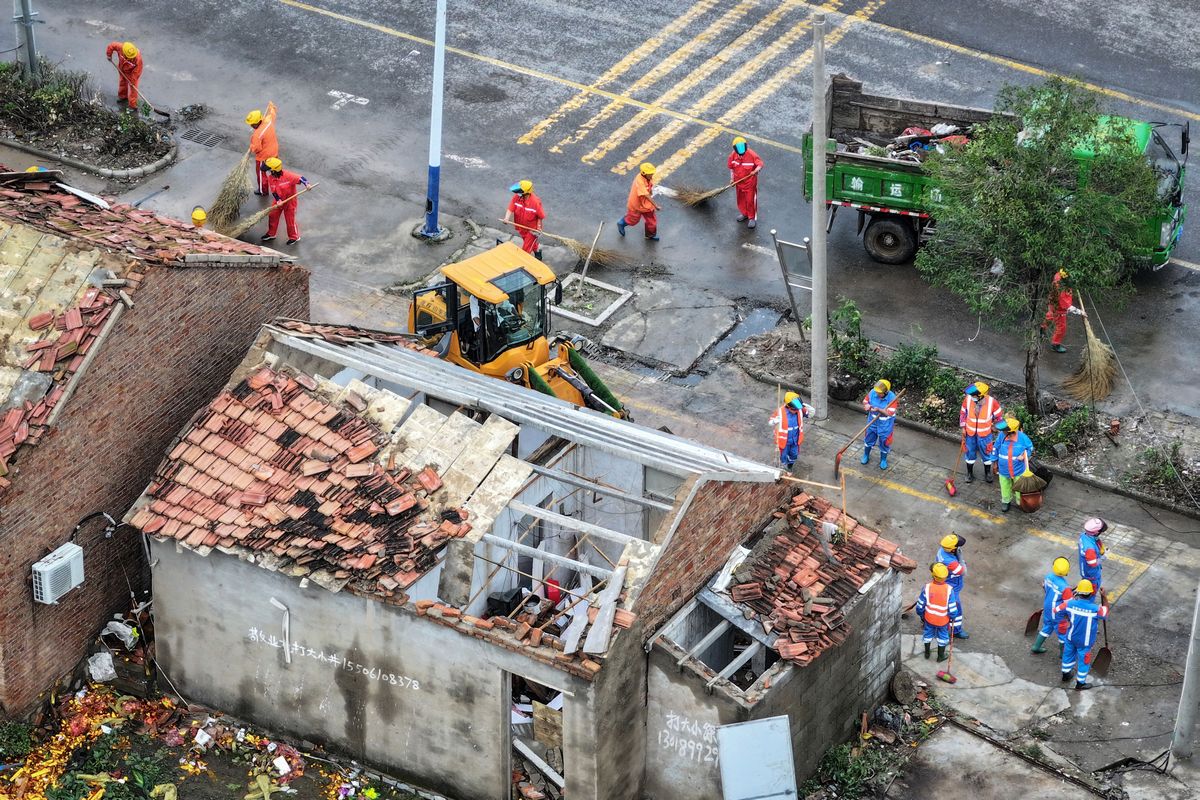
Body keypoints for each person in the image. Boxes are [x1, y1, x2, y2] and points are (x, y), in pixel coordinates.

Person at [1055, 579, 1108, 690]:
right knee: (1084, 660)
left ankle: (1065, 675)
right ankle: (1080, 683)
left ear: (1078, 592)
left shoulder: (1069, 604)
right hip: (1085, 641)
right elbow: (1105, 613)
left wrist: (1066, 618)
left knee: (1068, 655)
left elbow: (1057, 610)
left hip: (1070, 637)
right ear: (1091, 593)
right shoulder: (1095, 609)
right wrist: (1104, 597)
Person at [915, 562, 963, 662]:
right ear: (945, 576)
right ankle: (940, 656)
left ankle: (927, 653)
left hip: (929, 619)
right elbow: (952, 608)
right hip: (943, 621)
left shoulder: (927, 587)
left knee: (927, 634)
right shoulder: (949, 590)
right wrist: (953, 616)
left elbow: (920, 604)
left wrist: (921, 614)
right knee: (943, 637)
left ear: (933, 575)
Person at [959, 381, 1003, 484]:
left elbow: (999, 417)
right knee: (969, 453)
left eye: (974, 395)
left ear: (980, 396)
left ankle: (987, 473)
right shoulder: (968, 400)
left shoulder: (992, 402)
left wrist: (995, 427)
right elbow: (963, 414)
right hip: (970, 433)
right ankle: (969, 474)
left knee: (987, 453)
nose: (971, 397)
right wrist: (963, 427)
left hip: (985, 434)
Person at [261, 157, 309, 245]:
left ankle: (294, 237)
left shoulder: (288, 175)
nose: (268, 171)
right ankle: (271, 234)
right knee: (272, 215)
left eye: (269, 169)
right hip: (279, 201)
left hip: (290, 202)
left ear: (274, 170)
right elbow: (274, 191)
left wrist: (307, 184)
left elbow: (301, 178)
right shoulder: (271, 178)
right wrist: (278, 200)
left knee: (290, 220)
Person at [1032, 557, 1073, 654]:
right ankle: (1063, 655)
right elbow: (1068, 604)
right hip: (1058, 613)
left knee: (1047, 626)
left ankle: (1036, 647)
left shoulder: (1048, 577)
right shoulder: (1065, 587)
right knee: (1062, 633)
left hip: (1047, 607)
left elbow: (1044, 587)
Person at [994, 417, 1033, 512]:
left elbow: (1030, 448)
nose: (1002, 432)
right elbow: (995, 448)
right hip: (1004, 470)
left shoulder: (1023, 438)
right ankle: (1006, 501)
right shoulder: (1001, 436)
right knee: (1005, 486)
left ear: (1011, 432)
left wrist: (1024, 456)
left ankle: (1021, 502)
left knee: (1020, 487)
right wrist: (994, 463)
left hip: (1018, 470)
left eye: (1004, 431)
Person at [769, 391, 814, 473]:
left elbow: (811, 414)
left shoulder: (799, 410)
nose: (796, 411)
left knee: (794, 454)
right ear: (788, 406)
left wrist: (804, 405)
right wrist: (775, 420)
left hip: (795, 440)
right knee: (783, 456)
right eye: (794, 409)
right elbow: (770, 422)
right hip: (784, 442)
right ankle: (782, 467)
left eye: (797, 409)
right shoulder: (780, 412)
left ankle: (790, 466)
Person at [1043, 269, 1086, 353]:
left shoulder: (1059, 276)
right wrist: (1080, 312)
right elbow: (1067, 306)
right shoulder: (1062, 292)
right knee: (1061, 327)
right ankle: (1055, 344)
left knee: (1050, 315)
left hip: (1052, 305)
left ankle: (1042, 328)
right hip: (1059, 310)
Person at [935, 534, 969, 638]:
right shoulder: (950, 562)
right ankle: (956, 631)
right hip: (951, 587)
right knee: (956, 609)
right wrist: (961, 559)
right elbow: (963, 572)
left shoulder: (942, 549)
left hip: (947, 582)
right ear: (952, 549)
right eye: (957, 546)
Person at [861, 378, 898, 470]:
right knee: (869, 438)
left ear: (885, 392)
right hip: (872, 421)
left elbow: (889, 413)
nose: (877, 394)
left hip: (885, 425)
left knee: (884, 441)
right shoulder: (873, 392)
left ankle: (883, 460)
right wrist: (867, 406)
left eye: (879, 393)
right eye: (876, 392)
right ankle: (866, 455)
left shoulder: (892, 398)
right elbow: (865, 401)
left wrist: (878, 409)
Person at [727, 136, 763, 229]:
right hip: (738, 183)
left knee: (750, 200)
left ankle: (752, 218)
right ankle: (744, 213)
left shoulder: (751, 154)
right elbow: (731, 168)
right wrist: (732, 179)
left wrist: (755, 171)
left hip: (750, 183)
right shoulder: (733, 156)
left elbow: (760, 164)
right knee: (741, 199)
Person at [618, 162, 659, 241]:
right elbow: (646, 195)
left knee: (651, 221)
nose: (652, 175)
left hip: (646, 204)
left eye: (652, 173)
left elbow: (649, 189)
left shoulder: (648, 178)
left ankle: (650, 235)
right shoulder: (639, 181)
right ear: (644, 173)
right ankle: (621, 223)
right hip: (636, 205)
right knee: (633, 220)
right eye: (650, 174)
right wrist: (656, 205)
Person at [504, 180, 545, 258]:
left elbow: (541, 216)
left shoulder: (535, 202)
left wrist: (538, 227)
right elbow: (510, 208)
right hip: (521, 227)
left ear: (526, 193)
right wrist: (506, 218)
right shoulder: (517, 197)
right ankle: (538, 254)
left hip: (532, 230)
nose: (517, 193)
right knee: (529, 243)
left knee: (525, 250)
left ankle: (524, 262)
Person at [246, 103, 279, 197]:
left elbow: (257, 148)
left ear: (257, 122)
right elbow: (272, 114)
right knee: (275, 168)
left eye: (252, 124)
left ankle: (263, 191)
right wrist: (272, 107)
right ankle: (279, 184)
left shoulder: (256, 135)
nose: (251, 125)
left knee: (261, 173)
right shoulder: (268, 121)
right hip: (274, 150)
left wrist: (251, 147)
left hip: (263, 156)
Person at [105, 41, 143, 111]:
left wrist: (132, 81)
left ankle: (133, 105)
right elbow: (111, 46)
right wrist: (109, 55)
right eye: (129, 57)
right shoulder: (120, 47)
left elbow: (137, 71)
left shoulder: (138, 58)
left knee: (133, 88)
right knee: (122, 82)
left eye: (132, 57)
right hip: (122, 69)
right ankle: (123, 96)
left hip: (132, 73)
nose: (131, 58)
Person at [1078, 517, 1108, 590]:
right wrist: (1103, 557)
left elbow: (1096, 540)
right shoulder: (1090, 548)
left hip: (1086, 572)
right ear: (1096, 532)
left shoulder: (1083, 536)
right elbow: (1093, 563)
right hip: (1091, 576)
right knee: (1090, 594)